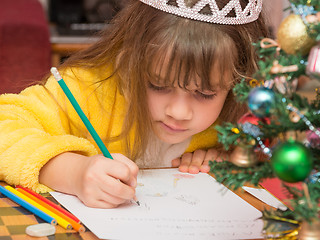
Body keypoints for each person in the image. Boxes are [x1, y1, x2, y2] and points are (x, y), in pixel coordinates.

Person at [0, 0, 268, 208]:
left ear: (238, 83)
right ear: (129, 61)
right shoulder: (88, 89)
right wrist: (72, 172)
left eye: (206, 93)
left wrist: (232, 157)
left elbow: (271, 152)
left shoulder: (243, 110)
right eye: (158, 85)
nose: (178, 112)